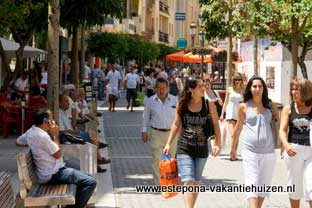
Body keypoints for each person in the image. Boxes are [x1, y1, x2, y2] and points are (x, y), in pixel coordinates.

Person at [16, 109, 96, 208]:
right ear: (46, 121)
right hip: (53, 173)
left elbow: (18, 141)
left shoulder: (31, 131)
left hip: (52, 170)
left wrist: (33, 144)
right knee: (90, 182)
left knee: (88, 177)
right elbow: (57, 154)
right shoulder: (42, 136)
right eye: (51, 119)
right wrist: (55, 134)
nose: (53, 121)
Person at [163, 78, 221, 208]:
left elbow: (216, 125)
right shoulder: (182, 104)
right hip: (185, 148)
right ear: (191, 89)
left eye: (203, 86)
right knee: (188, 180)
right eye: (200, 86)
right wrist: (168, 144)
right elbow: (175, 124)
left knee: (195, 183)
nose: (203, 88)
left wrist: (218, 143)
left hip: (202, 149)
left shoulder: (209, 104)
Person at [231, 76, 279, 208]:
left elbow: (280, 124)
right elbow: (238, 127)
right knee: (252, 183)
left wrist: (284, 145)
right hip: (249, 151)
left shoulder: (270, 105)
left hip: (269, 152)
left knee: (264, 185)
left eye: (260, 86)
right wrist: (233, 149)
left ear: (264, 88)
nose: (257, 89)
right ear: (250, 88)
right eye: (254, 86)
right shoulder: (243, 106)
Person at [279, 79, 312, 208]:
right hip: (293, 150)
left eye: (296, 89)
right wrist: (286, 146)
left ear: (305, 91)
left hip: (310, 152)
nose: (293, 92)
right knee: (294, 185)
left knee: (311, 185)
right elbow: (282, 130)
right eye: (292, 89)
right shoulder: (289, 108)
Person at [59, 94, 110, 172]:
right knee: (91, 137)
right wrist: (74, 131)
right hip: (68, 137)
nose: (68, 104)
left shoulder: (64, 112)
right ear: (59, 102)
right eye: (66, 102)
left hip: (72, 134)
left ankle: (97, 162)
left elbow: (72, 125)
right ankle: (98, 160)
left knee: (92, 136)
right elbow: (62, 131)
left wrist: (73, 117)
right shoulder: (59, 113)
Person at [141, 77, 178, 185]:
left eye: (164, 88)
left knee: (170, 159)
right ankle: (160, 184)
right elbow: (145, 116)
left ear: (168, 88)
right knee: (157, 159)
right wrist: (144, 131)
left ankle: (169, 182)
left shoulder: (175, 100)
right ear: (155, 89)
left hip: (171, 135)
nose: (161, 91)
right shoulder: (150, 101)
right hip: (156, 133)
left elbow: (179, 116)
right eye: (159, 88)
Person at [220, 72, 244, 161]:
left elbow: (245, 103)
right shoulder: (229, 89)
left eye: (239, 79)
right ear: (233, 80)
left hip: (239, 115)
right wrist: (222, 114)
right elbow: (225, 102)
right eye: (236, 79)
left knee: (236, 135)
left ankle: (234, 152)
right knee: (233, 134)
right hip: (230, 114)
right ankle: (232, 152)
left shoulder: (243, 90)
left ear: (241, 80)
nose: (237, 81)